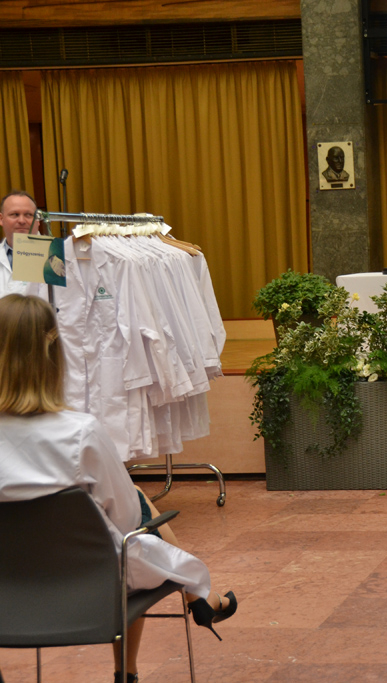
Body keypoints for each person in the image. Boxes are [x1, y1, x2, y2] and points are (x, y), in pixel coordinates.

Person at [0, 294, 237, 683]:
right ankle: (131, 668)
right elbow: (126, 522)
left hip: (7, 589)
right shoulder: (80, 433)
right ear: (53, 353)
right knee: (136, 511)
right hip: (88, 583)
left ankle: (200, 598)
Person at [0, 190, 39, 298]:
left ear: (38, 220)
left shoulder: (55, 256)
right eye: (15, 214)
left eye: (28, 215)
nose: (22, 221)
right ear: (1, 219)